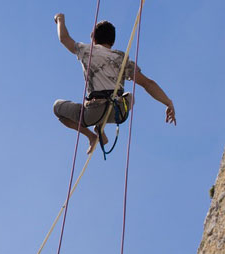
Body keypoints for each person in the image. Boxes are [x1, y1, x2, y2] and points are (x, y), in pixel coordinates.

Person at [53, 14, 176, 154]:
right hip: (119, 112)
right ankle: (100, 127)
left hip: (94, 112)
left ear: (93, 37)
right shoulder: (122, 59)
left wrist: (60, 19)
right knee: (129, 96)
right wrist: (168, 102)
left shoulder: (87, 50)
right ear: (112, 41)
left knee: (57, 108)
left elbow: (64, 39)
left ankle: (92, 137)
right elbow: (148, 83)